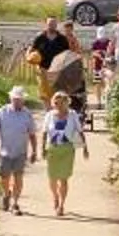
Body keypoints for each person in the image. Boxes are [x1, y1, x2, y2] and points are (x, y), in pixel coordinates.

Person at [0, 85, 38, 215]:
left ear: (23, 100)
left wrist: (34, 151)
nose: (17, 101)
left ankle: (15, 203)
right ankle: (6, 194)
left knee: (18, 178)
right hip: (4, 151)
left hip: (20, 152)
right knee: (3, 177)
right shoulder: (2, 112)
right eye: (15, 99)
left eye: (20, 99)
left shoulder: (27, 115)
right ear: (11, 99)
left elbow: (32, 134)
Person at [42, 90, 83, 218]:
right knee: (52, 177)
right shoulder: (49, 115)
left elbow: (79, 130)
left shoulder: (72, 114)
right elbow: (44, 132)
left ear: (66, 103)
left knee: (63, 178)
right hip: (53, 149)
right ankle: (55, 197)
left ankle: (61, 205)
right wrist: (42, 148)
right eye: (55, 102)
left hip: (67, 149)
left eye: (60, 103)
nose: (57, 105)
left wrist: (85, 147)